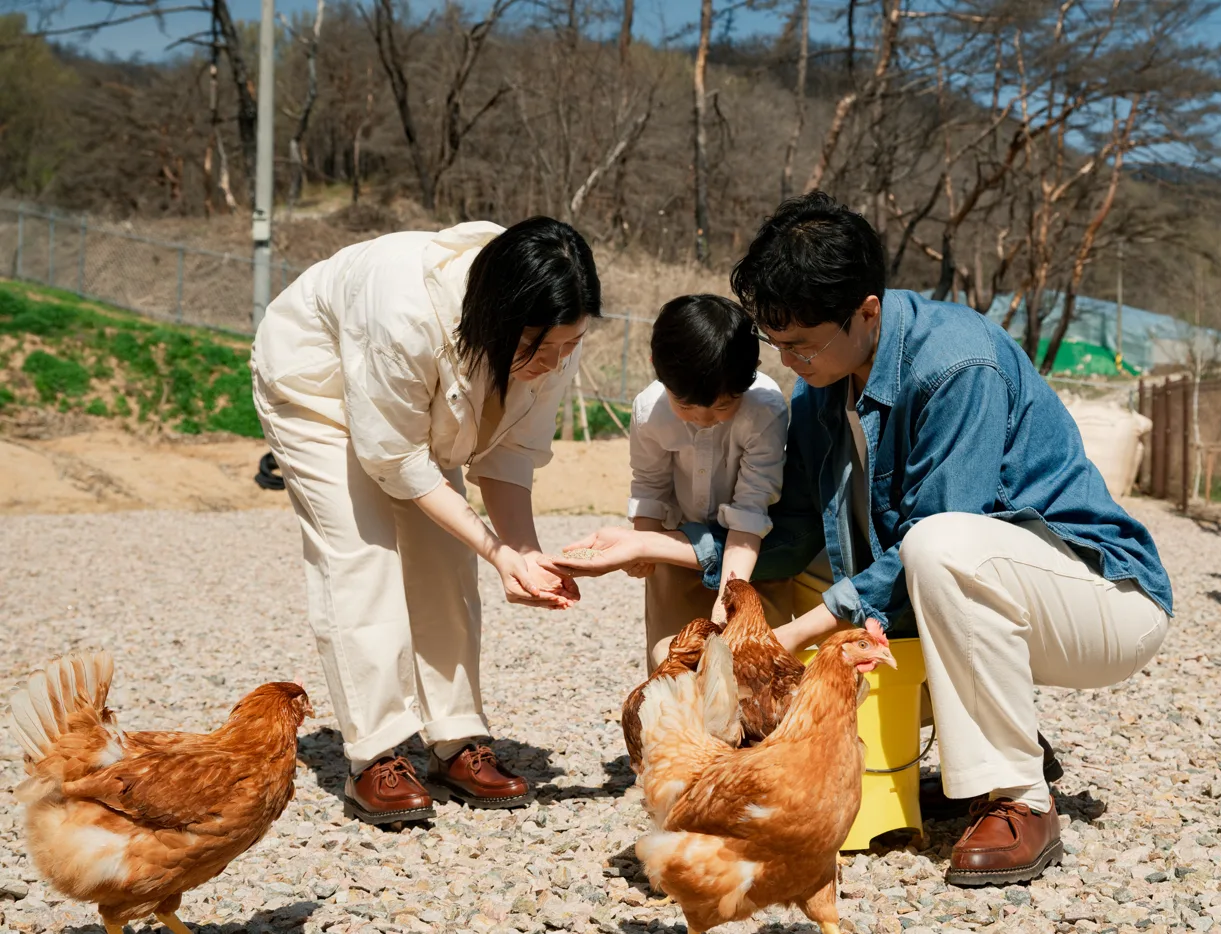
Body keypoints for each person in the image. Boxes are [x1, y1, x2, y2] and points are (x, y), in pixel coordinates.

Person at [551, 192, 1172, 887]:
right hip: (997, 594)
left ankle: (1020, 796)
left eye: (801, 345)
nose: (788, 363)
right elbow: (790, 531)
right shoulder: (824, 392)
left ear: (867, 312)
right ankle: (968, 754)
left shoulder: (956, 366)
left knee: (937, 545)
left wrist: (783, 643)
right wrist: (663, 549)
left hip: (1102, 598)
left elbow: (924, 551)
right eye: (777, 344)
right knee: (851, 578)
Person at [251, 217, 595, 824]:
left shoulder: (553, 335)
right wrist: (498, 552)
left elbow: (509, 452)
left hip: (411, 409)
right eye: (539, 350)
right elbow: (396, 459)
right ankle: (376, 754)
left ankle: (456, 738)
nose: (556, 362)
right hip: (318, 390)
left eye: (569, 346)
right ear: (496, 317)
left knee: (446, 557)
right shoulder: (404, 311)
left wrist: (523, 554)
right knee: (361, 552)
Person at [623, 294, 791, 668]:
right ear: (657, 368)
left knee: (753, 666)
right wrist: (641, 543)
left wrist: (732, 590)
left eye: (722, 406)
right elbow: (650, 484)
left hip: (753, 550)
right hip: (678, 546)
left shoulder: (764, 409)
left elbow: (752, 509)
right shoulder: (650, 410)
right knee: (673, 660)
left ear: (748, 377)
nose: (702, 418)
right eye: (686, 406)